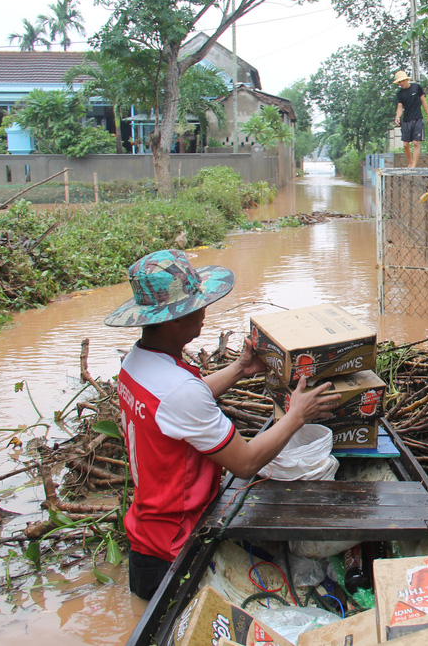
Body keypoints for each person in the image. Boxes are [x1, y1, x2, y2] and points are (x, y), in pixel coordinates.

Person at [104, 249, 341, 600]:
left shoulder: (137, 364)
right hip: (175, 547)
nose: (204, 312)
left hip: (147, 534)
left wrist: (239, 369)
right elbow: (244, 463)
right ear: (174, 320)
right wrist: (297, 415)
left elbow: (176, 408)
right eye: (197, 306)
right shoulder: (179, 391)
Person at [393, 70, 428, 168]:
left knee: (416, 142)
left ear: (407, 79)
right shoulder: (400, 94)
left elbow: (423, 102)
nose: (401, 83)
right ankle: (410, 162)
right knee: (405, 145)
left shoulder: (416, 88)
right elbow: (400, 107)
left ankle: (414, 165)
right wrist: (397, 117)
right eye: (399, 82)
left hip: (417, 119)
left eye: (403, 80)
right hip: (406, 120)